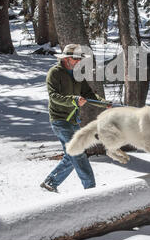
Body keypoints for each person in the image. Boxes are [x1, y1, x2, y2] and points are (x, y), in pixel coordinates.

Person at [40, 44, 109, 192]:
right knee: (78, 152)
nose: (78, 61)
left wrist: (104, 104)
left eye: (80, 59)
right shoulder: (55, 73)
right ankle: (90, 189)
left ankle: (50, 183)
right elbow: (54, 97)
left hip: (73, 120)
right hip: (60, 120)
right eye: (75, 58)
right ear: (66, 58)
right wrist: (74, 100)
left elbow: (89, 94)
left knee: (71, 154)